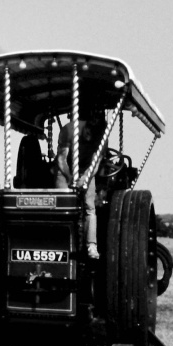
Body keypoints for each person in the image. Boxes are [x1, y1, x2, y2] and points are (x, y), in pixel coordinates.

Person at [54, 111, 107, 260]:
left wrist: (85, 179)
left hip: (86, 170)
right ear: (86, 127)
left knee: (90, 206)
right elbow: (61, 159)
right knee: (61, 203)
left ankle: (91, 245)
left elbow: (96, 164)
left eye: (93, 135)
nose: (89, 137)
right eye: (88, 133)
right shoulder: (69, 130)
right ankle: (60, 240)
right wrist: (70, 178)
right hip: (65, 170)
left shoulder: (103, 137)